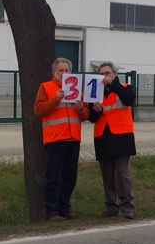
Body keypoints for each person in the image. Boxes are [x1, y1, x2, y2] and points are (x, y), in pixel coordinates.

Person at [34, 57, 89, 221]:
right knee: (52, 178)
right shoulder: (46, 87)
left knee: (70, 177)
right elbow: (38, 110)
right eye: (61, 70)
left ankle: (65, 209)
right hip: (55, 139)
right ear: (54, 72)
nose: (64, 73)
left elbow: (85, 115)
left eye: (67, 70)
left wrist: (80, 109)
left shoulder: (78, 91)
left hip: (73, 138)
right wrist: (55, 100)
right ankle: (52, 212)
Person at [88, 61, 136, 220]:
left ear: (115, 74)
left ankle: (127, 207)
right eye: (101, 74)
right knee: (107, 175)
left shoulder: (125, 88)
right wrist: (96, 111)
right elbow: (92, 118)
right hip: (103, 137)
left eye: (107, 73)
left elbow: (128, 99)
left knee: (122, 174)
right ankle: (111, 207)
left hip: (121, 136)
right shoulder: (95, 92)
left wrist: (114, 85)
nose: (104, 77)